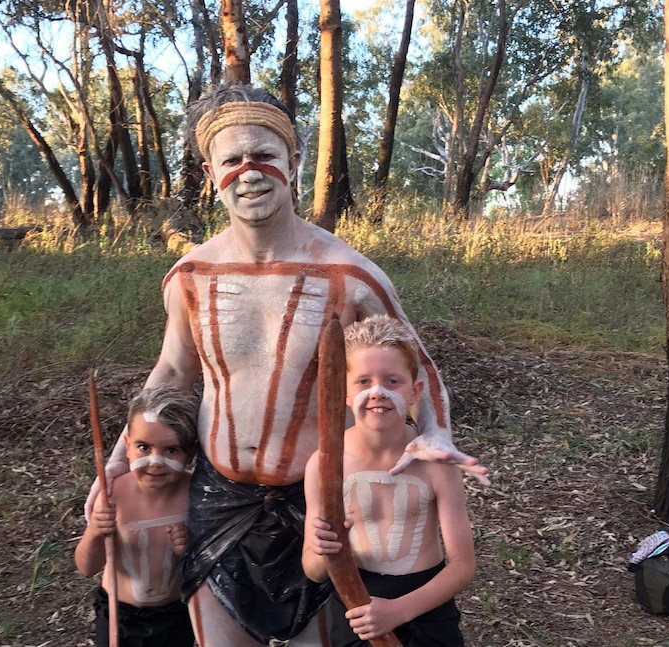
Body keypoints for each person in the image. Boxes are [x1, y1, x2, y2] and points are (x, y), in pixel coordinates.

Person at [88, 83, 489, 647]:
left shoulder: (350, 275)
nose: (249, 172)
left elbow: (417, 367)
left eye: (265, 156)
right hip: (217, 496)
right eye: (231, 160)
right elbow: (173, 373)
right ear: (209, 172)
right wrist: (118, 463)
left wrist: (435, 437)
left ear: (294, 162)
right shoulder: (190, 277)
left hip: (320, 504)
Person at [302, 315, 476, 646]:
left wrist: (400, 610)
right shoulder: (323, 466)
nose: (378, 392)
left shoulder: (437, 464)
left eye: (392, 381)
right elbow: (312, 570)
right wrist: (321, 550)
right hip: (355, 609)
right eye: (363, 381)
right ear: (344, 393)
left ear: (416, 390)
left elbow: (462, 565)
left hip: (426, 607)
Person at [75, 387, 197, 647]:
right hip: (119, 617)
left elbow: (207, 566)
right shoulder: (113, 495)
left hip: (175, 615)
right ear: (128, 447)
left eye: (172, 450)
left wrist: (187, 551)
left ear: (191, 453)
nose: (155, 462)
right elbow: (87, 567)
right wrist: (96, 531)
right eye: (144, 447)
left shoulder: (196, 496)